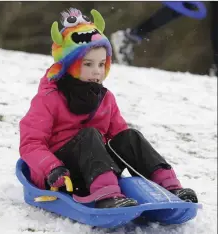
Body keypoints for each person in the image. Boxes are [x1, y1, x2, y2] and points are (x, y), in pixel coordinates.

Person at [19, 8, 198, 209]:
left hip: (96, 167)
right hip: (61, 176)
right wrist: (52, 168)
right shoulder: (49, 99)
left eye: (102, 64)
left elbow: (119, 136)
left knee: (130, 136)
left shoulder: (105, 98)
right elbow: (31, 143)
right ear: (68, 65)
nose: (97, 71)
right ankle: (106, 195)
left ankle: (169, 186)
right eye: (88, 64)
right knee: (90, 134)